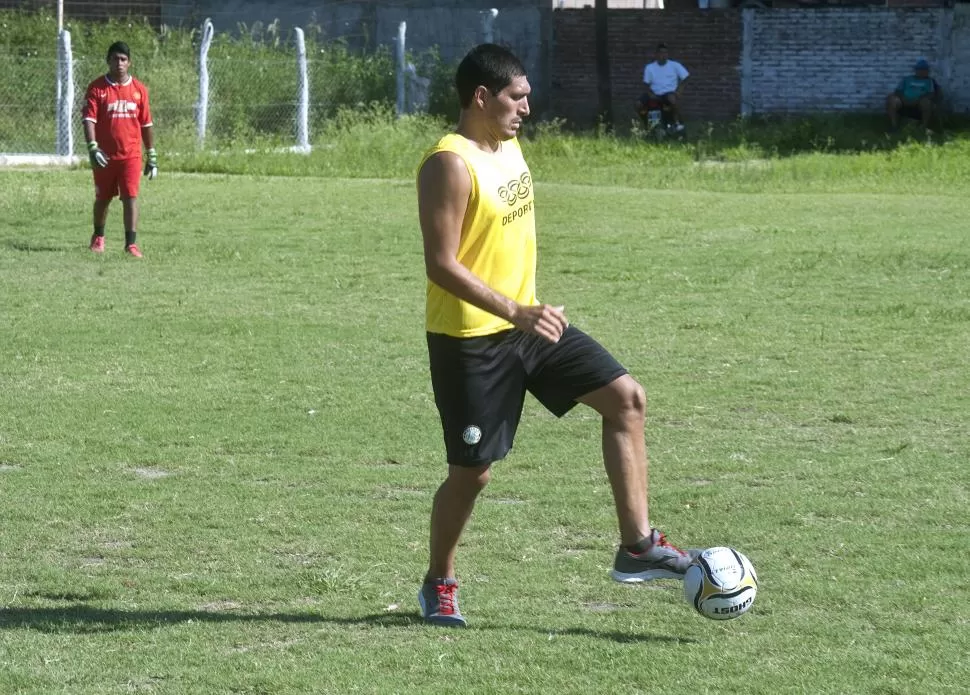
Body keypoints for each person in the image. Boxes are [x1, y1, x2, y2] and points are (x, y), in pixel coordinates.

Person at [416, 43, 695, 627]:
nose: (526, 108)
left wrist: (526, 311)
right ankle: (439, 580)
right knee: (473, 474)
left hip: (533, 324)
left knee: (627, 400)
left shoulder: (510, 146)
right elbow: (441, 263)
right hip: (472, 339)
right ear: (482, 97)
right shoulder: (449, 164)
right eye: (518, 97)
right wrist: (514, 310)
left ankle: (637, 545)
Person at [82, 41, 157, 258]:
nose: (119, 63)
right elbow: (88, 119)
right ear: (108, 61)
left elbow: (146, 124)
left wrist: (151, 154)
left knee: (130, 197)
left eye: (123, 59)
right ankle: (98, 237)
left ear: (129, 62)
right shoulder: (97, 88)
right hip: (104, 156)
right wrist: (93, 148)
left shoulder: (139, 90)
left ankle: (131, 244)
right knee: (103, 198)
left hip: (131, 156)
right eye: (115, 58)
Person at [639, 42, 689, 133]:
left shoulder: (675, 65)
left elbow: (685, 78)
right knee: (637, 104)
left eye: (665, 53)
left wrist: (679, 91)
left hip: (669, 93)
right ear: (656, 54)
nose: (663, 55)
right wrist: (650, 94)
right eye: (661, 53)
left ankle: (676, 123)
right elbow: (646, 84)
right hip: (655, 93)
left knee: (672, 99)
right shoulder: (649, 67)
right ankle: (646, 124)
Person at [886, 58, 942, 133]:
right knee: (891, 99)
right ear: (916, 70)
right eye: (920, 70)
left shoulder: (929, 81)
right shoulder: (907, 79)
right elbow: (898, 91)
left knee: (926, 103)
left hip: (919, 102)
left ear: (927, 71)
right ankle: (894, 126)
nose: (922, 72)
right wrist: (903, 98)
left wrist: (918, 100)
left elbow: (931, 94)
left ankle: (923, 127)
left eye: (924, 70)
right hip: (904, 101)